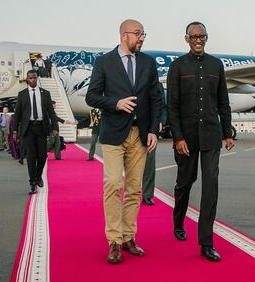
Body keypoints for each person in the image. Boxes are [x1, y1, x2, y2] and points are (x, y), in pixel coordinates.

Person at [86, 19, 162, 264]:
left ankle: (129, 237)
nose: (142, 38)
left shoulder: (148, 63)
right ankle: (114, 241)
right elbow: (91, 96)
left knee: (133, 189)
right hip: (114, 134)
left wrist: (153, 130)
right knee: (112, 185)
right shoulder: (104, 62)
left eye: (144, 34)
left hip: (140, 134)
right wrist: (115, 103)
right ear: (124, 35)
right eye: (138, 34)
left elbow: (155, 99)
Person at [167, 22, 234, 262]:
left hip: (211, 136)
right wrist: (178, 138)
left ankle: (206, 243)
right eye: (193, 36)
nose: (198, 40)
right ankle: (178, 220)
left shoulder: (217, 65)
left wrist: (228, 132)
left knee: (210, 187)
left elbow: (223, 102)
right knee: (185, 182)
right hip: (186, 138)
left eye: (202, 36)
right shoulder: (177, 66)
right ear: (186, 39)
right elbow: (172, 107)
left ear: (207, 38)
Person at [13, 70, 59, 195]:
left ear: (37, 78)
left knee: (43, 156)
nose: (32, 80)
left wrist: (55, 127)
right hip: (28, 129)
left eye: (34, 78)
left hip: (41, 128)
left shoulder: (45, 94)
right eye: (30, 78)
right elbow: (17, 114)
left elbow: (51, 113)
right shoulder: (22, 94)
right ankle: (32, 183)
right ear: (27, 79)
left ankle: (38, 176)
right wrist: (15, 130)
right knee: (31, 157)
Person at [142, 82, 166, 205]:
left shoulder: (156, 84)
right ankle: (132, 193)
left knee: (149, 163)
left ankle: (147, 194)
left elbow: (162, 105)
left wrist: (160, 121)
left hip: (150, 128)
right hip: (129, 128)